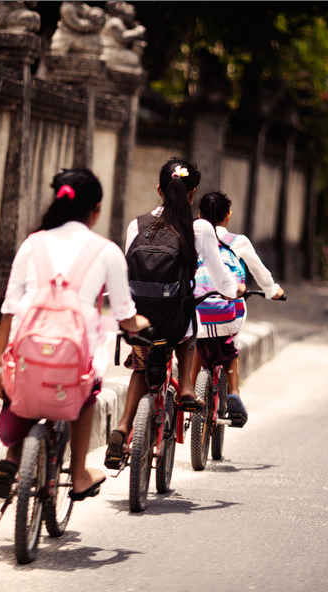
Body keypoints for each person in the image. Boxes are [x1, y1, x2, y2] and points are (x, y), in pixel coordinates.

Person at [0, 168, 150, 501]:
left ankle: (13, 457)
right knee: (88, 388)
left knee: (22, 378)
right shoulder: (106, 251)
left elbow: (8, 309)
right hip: (74, 356)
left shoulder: (33, 244)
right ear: (97, 209)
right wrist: (142, 325)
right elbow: (124, 315)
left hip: (26, 348)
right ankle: (77, 475)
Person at [105, 158, 241, 469]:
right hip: (175, 319)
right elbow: (220, 279)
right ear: (193, 194)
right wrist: (232, 291)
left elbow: (126, 272)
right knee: (191, 325)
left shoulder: (136, 224)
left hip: (140, 318)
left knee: (141, 368)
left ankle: (123, 427)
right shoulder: (200, 227)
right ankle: (189, 388)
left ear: (159, 189)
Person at [190, 191, 285, 426]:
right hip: (226, 315)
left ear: (199, 216)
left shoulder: (191, 238)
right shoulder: (238, 241)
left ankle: (189, 390)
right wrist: (273, 291)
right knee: (230, 350)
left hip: (196, 313)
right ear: (228, 216)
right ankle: (234, 392)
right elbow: (259, 271)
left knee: (195, 343)